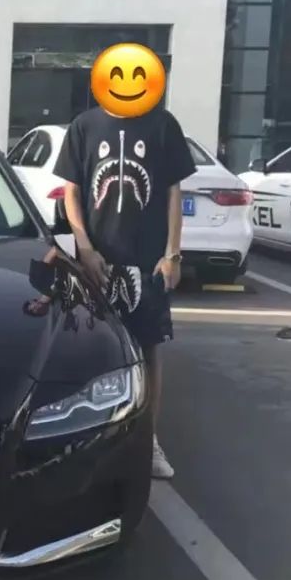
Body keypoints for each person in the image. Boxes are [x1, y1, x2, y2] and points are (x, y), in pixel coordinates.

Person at [54, 104, 196, 480]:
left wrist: (173, 254)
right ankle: (91, 442)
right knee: (91, 350)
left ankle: (147, 441)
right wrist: (85, 248)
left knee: (147, 350)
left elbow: (173, 192)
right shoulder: (84, 125)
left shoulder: (163, 124)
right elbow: (72, 191)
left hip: (148, 264)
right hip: (97, 263)